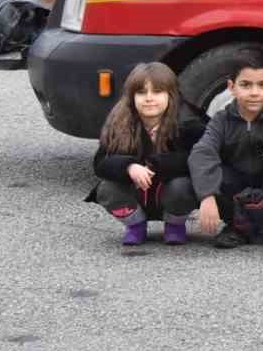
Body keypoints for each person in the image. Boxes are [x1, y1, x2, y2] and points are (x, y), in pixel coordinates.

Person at [189, 46, 263, 249]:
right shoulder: (221, 119)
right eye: (245, 85)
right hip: (237, 186)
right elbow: (201, 153)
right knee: (212, 171)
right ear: (231, 87)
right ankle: (236, 226)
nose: (254, 93)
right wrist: (206, 196)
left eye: (262, 85)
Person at [85, 62, 205, 247]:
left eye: (157, 92)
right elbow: (100, 163)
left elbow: (198, 159)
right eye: (141, 92)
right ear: (131, 96)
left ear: (171, 95)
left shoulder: (189, 123)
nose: (149, 98)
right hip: (136, 193)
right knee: (107, 189)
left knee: (183, 186)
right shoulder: (119, 122)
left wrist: (158, 164)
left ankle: (175, 225)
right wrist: (129, 166)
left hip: (171, 193)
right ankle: (135, 225)